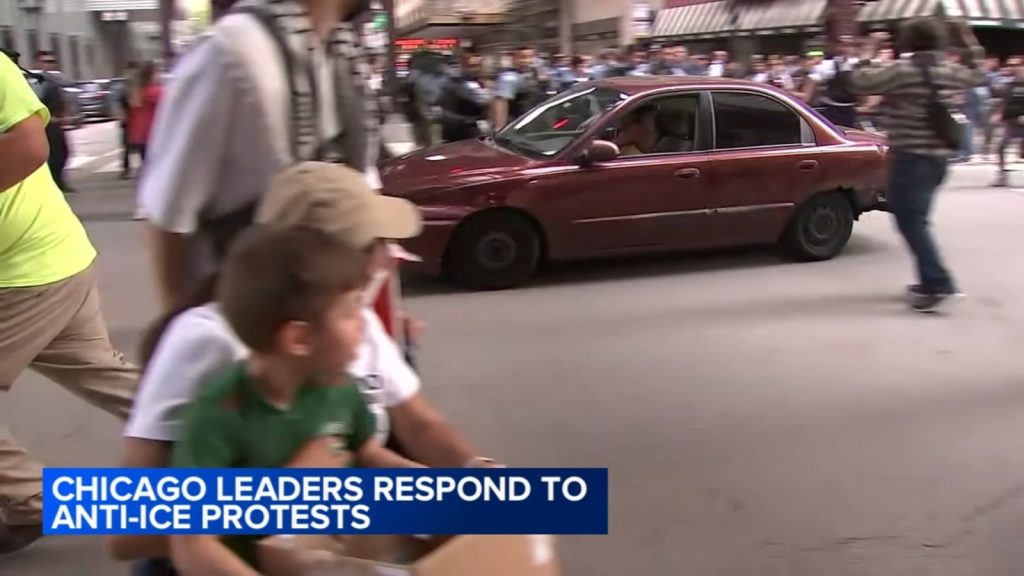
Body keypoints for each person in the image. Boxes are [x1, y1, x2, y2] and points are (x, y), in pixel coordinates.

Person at [110, 163, 491, 566]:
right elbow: (133, 533)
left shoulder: (349, 328)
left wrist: (473, 477)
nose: (386, 260)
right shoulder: (210, 346)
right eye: (373, 245)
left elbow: (415, 425)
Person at [168, 224, 421, 575]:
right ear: (299, 338)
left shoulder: (340, 388)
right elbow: (192, 544)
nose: (364, 324)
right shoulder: (218, 418)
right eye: (350, 313)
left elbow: (369, 453)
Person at [138, 0, 380, 313]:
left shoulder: (341, 54)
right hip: (247, 325)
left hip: (328, 325)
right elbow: (166, 219)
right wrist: (185, 335)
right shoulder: (231, 53)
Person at [0, 51, 137, 555]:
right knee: (102, 372)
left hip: (20, 273)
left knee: (101, 371)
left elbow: (29, 144)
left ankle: (31, 497)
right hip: (55, 258)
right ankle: (237, 440)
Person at [851, 18, 984, 312]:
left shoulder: (902, 71)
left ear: (908, 42)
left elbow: (859, 80)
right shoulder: (947, 70)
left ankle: (939, 283)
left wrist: (868, 50)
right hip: (938, 159)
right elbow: (977, 75)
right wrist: (966, 40)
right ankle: (928, 282)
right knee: (917, 220)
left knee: (911, 221)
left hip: (911, 157)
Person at [33, 50, 73, 193]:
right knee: (54, 154)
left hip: (57, 122)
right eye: (46, 62)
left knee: (64, 152)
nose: (50, 65)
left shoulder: (55, 79)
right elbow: (36, 103)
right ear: (38, 63)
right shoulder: (37, 81)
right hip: (47, 124)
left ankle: (59, 181)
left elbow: (63, 98)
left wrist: (66, 114)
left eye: (52, 62)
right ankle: (54, 185)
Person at [439, 51, 489, 143]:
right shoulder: (461, 84)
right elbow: (482, 101)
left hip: (459, 129)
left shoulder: (464, 82)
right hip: (462, 129)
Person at [493, 47, 546, 130]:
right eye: (523, 57)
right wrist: (500, 127)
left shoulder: (533, 74)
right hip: (517, 124)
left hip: (534, 121)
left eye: (531, 57)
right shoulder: (509, 77)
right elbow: (501, 103)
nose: (527, 61)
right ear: (515, 59)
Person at [992, 57, 1024, 187]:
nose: (1013, 67)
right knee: (1000, 148)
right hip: (1011, 121)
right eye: (1010, 65)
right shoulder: (1010, 84)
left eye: (1017, 65)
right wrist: (999, 114)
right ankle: (1002, 176)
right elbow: (1005, 101)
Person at [127, 61, 162, 164]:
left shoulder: (138, 92)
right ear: (151, 75)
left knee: (147, 164)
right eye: (157, 72)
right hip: (157, 133)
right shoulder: (156, 91)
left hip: (142, 135)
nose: (159, 75)